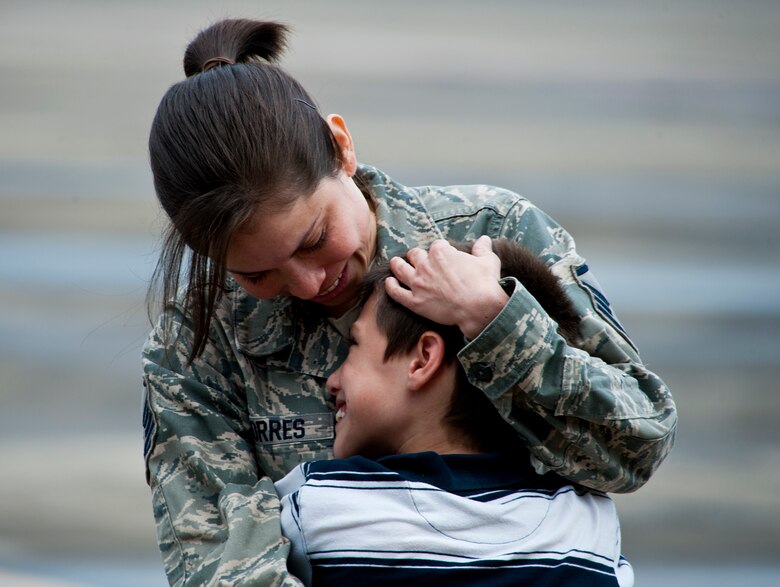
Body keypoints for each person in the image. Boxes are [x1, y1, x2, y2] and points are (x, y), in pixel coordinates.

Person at [142, 18, 676, 586]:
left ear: (340, 147)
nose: (306, 284)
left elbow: (633, 452)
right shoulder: (198, 339)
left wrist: (495, 322)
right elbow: (222, 566)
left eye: (315, 240)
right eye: (255, 274)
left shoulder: (492, 235)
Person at [275, 240, 634, 586]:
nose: (332, 381)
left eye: (354, 345)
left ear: (422, 360)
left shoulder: (318, 505)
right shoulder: (589, 524)